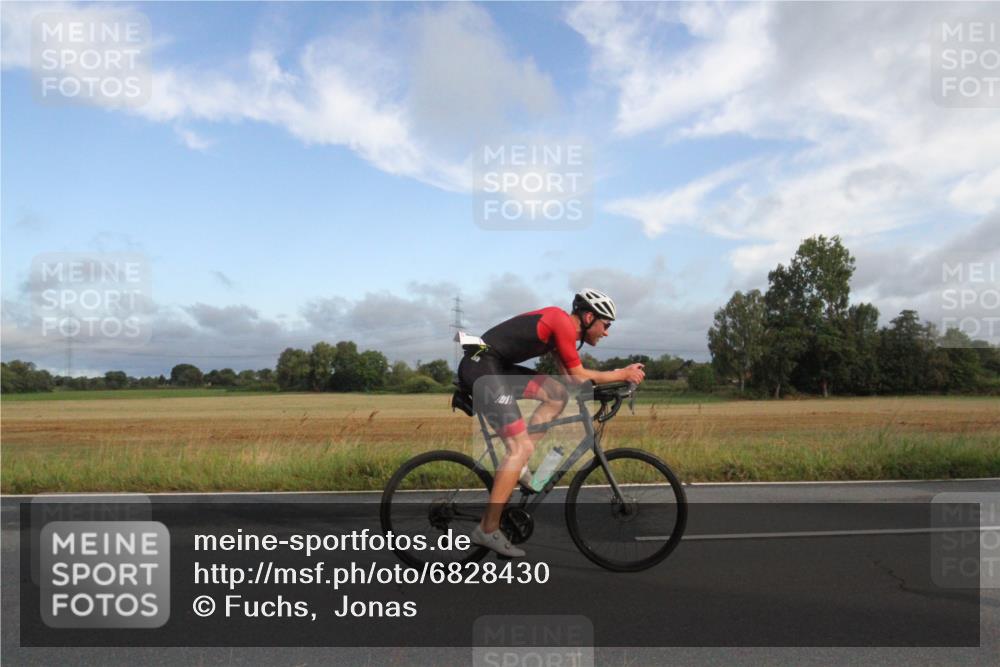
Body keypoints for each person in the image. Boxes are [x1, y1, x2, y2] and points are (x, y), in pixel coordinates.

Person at [454, 289, 646, 557]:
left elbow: (571, 382)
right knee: (518, 448)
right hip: (482, 366)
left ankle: (519, 465)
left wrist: (611, 385)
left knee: (556, 395)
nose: (606, 332)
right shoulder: (561, 323)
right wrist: (620, 373)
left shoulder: (563, 331)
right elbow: (579, 374)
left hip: (495, 364)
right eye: (606, 325)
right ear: (590, 316)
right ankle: (487, 529)